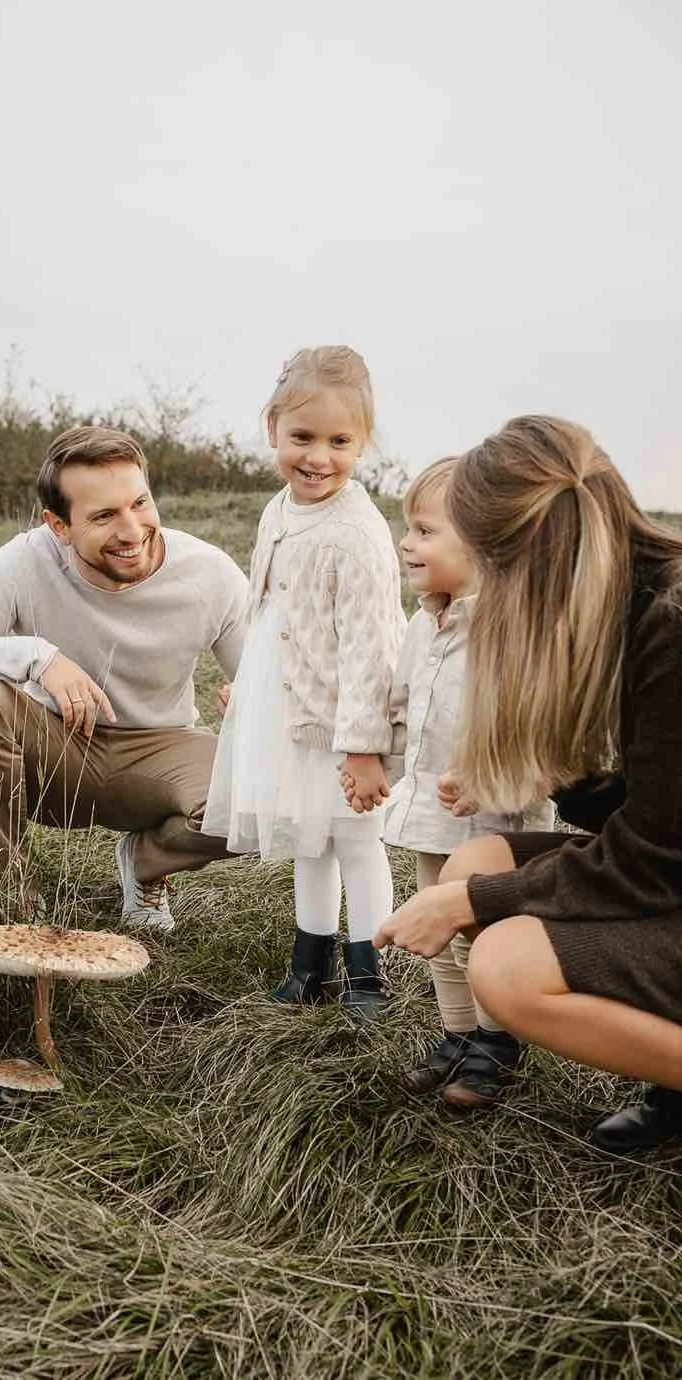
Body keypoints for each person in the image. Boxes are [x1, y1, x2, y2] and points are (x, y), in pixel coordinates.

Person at [372, 415, 682, 1152]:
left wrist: (462, 903)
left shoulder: (670, 626)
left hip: (665, 879)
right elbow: (653, 818)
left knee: (504, 968)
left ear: (520, 559)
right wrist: (556, 772)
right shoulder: (627, 604)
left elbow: (651, 862)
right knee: (479, 859)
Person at [0, 424, 249, 932]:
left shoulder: (210, 573)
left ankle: (146, 863)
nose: (131, 530)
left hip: (160, 749)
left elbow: (265, 681)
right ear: (58, 525)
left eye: (139, 503)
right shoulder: (26, 560)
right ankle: (11, 897)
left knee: (261, 790)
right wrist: (35, 657)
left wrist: (254, 708)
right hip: (55, 751)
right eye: (104, 516)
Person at [202, 346, 406, 1021]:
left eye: (339, 441)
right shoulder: (278, 512)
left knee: (355, 841)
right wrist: (252, 687)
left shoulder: (357, 535)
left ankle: (369, 974)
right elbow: (271, 612)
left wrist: (364, 744)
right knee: (306, 838)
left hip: (348, 723)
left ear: (362, 443)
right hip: (290, 710)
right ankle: (308, 964)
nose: (318, 456)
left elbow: (371, 650)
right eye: (302, 438)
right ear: (272, 429)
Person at [375, 456, 553, 1106]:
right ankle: (457, 1035)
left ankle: (497, 1043)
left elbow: (542, 729)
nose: (406, 542)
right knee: (438, 931)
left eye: (424, 531)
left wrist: (496, 776)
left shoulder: (513, 629)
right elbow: (401, 703)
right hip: (430, 810)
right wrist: (374, 759)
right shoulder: (423, 624)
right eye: (407, 528)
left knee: (486, 932)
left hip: (498, 822)